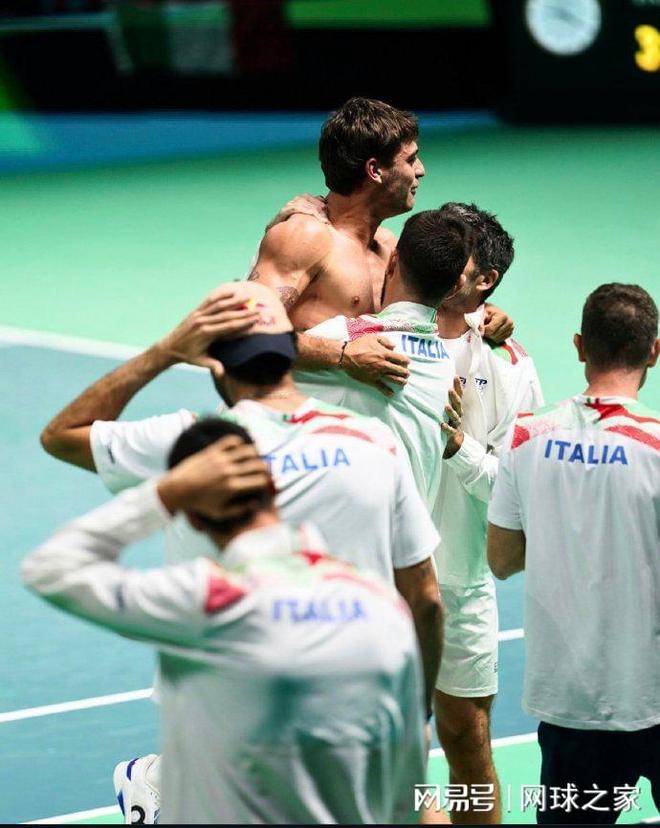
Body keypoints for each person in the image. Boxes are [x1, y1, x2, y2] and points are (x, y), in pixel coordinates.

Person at [41, 282, 443, 823]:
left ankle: (159, 782)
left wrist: (164, 353)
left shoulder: (194, 445)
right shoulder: (374, 441)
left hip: (227, 705)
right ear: (290, 350)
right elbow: (425, 598)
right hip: (355, 687)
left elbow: (62, 435)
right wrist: (416, 710)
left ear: (212, 365)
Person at [23, 420, 428, 825]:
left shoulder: (205, 602)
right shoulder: (382, 603)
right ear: (274, 489)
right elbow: (407, 777)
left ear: (192, 518)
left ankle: (157, 780)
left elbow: (51, 568)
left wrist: (164, 494)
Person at [487, 283, 660, 824]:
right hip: (652, 695)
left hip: (569, 702)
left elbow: (502, 559)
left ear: (580, 346)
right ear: (654, 351)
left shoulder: (526, 436)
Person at [250, 96, 513, 397]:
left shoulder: (390, 246)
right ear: (375, 170)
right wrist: (342, 355)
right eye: (411, 160)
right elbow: (246, 333)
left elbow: (428, 302)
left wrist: (481, 312)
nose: (421, 170)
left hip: (361, 417)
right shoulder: (306, 237)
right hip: (293, 415)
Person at [429, 202, 544, 825]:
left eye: (456, 251)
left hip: (460, 581)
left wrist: (458, 448)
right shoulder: (373, 334)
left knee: (468, 744)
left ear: (485, 280)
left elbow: (516, 487)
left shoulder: (509, 366)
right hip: (374, 577)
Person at [293, 209, 474, 508]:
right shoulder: (446, 368)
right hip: (413, 535)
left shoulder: (347, 337)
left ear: (391, 262)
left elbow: (246, 351)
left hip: (347, 533)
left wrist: (341, 355)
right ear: (456, 287)